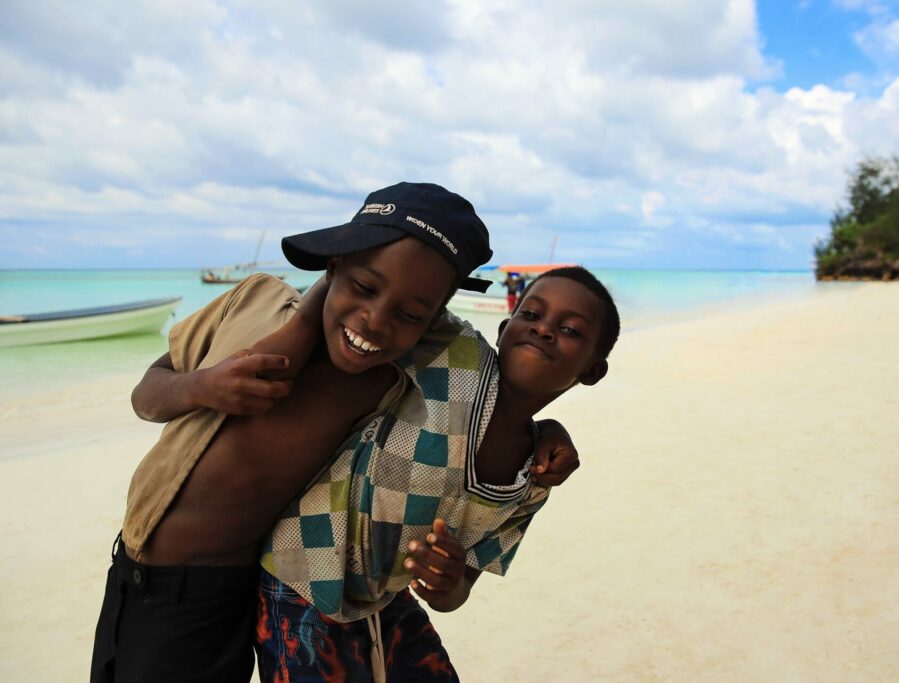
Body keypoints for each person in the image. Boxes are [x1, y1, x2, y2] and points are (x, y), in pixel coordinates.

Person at [89, 182, 580, 683]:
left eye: (412, 314)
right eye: (363, 287)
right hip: (129, 565)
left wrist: (543, 430)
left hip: (215, 595)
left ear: (435, 318)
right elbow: (146, 395)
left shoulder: (388, 375)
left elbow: (498, 393)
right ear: (333, 265)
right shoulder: (251, 302)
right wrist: (201, 387)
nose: (374, 319)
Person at [256, 265, 621, 682]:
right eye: (531, 315)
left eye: (570, 330)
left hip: (384, 598)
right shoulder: (456, 353)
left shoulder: (533, 480)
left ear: (592, 370)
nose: (543, 330)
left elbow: (458, 593)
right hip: (299, 575)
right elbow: (399, 294)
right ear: (504, 328)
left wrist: (447, 584)